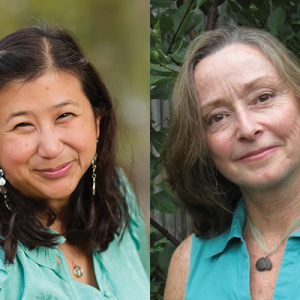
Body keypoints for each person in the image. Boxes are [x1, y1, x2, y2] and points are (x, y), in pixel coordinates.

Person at [0, 25, 149, 300]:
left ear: (97, 119)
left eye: (64, 115)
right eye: (23, 124)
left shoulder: (116, 192)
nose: (51, 148)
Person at [162, 26, 300, 300]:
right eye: (218, 117)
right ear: (201, 144)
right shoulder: (189, 264)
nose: (247, 129)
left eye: (263, 98)